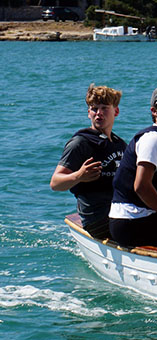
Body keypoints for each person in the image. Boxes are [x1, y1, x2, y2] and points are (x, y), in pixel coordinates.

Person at [109, 84, 157, 248]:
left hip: (147, 215)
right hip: (130, 219)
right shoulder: (153, 139)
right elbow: (141, 186)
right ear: (154, 111)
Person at [50, 84, 126, 238]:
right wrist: (79, 176)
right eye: (94, 108)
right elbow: (55, 183)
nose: (99, 113)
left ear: (116, 111)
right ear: (89, 113)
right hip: (97, 218)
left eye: (104, 108)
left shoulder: (120, 144)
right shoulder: (80, 143)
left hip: (120, 211)